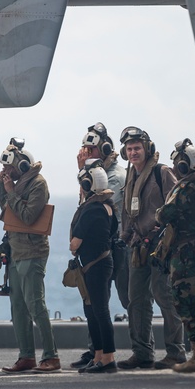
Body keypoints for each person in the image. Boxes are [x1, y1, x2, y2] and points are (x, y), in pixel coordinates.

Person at [115, 126, 185, 370]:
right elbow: (127, 211)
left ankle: (176, 352)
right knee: (137, 300)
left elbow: (177, 206)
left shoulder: (161, 172)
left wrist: (164, 233)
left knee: (164, 296)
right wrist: (124, 236)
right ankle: (142, 353)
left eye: (137, 148)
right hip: (137, 245)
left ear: (147, 148)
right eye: (129, 149)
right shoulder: (130, 176)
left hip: (160, 246)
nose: (133, 152)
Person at [0, 139, 60, 373]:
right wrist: (2, 185)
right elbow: (6, 208)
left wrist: (11, 192)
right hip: (16, 250)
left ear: (22, 166)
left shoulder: (37, 185)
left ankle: (51, 356)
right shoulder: (18, 183)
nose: (8, 173)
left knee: (36, 304)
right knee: (18, 306)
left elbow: (27, 216)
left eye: (11, 169)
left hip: (32, 251)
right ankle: (26, 356)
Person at [152, 139, 195, 373]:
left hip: (185, 254)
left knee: (185, 303)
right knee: (191, 303)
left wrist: (160, 212)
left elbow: (163, 215)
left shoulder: (187, 190)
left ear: (184, 166)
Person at [71, 122, 129, 370]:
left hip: (107, 250)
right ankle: (97, 352)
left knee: (108, 306)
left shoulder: (112, 177)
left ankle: (110, 355)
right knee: (94, 306)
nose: (86, 154)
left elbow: (94, 206)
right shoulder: (95, 175)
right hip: (100, 253)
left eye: (90, 150)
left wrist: (85, 174)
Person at [70, 160, 118, 373]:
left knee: (99, 311)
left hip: (93, 267)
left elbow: (75, 243)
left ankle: (107, 358)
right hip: (104, 263)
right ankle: (99, 355)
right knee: (93, 311)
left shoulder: (90, 211)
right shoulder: (108, 208)